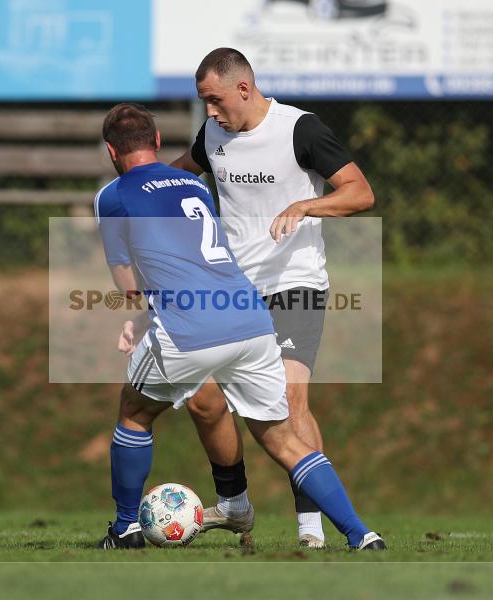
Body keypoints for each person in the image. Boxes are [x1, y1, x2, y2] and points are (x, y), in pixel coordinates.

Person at [94, 103, 384, 552]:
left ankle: (126, 528)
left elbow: (126, 280)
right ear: (155, 142)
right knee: (284, 437)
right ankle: (361, 534)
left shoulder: (112, 195)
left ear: (111, 151)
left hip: (191, 326)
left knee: (135, 412)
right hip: (250, 319)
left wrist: (142, 308)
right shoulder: (194, 184)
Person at [170, 48, 376, 548]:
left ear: (244, 88)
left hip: (294, 284)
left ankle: (311, 530)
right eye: (203, 103)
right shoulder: (213, 135)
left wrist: (306, 204)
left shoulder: (299, 128)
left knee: (288, 400)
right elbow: (177, 177)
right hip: (233, 291)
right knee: (206, 401)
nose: (211, 113)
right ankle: (236, 506)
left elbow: (360, 192)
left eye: (215, 100)